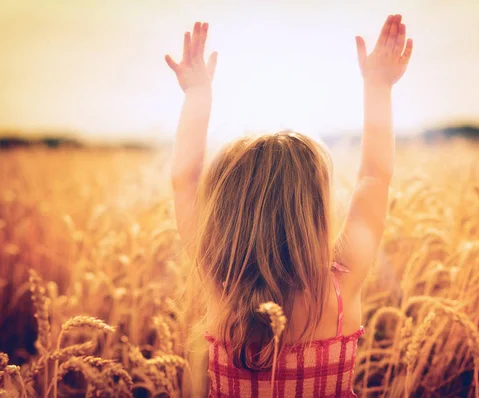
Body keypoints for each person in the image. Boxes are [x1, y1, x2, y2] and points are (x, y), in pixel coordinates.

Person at [165, 14, 412, 397]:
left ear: (225, 212)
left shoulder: (220, 282)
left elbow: (184, 181)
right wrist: (379, 86)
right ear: (313, 209)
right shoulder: (341, 286)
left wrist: (197, 94)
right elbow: (374, 178)